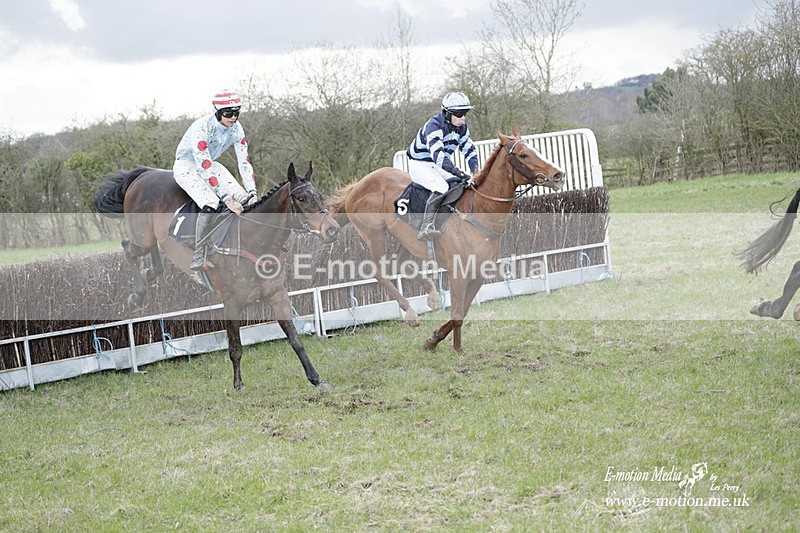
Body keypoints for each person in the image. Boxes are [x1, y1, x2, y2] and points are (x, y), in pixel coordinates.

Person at [173, 90, 259, 270]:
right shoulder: (201, 127)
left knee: (244, 198)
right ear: (217, 111)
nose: (233, 118)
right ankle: (198, 252)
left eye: (236, 112)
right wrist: (227, 199)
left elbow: (244, 162)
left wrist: (252, 192)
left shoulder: (237, 128)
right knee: (212, 202)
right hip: (187, 166)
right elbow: (204, 167)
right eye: (228, 113)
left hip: (211, 164)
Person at [406, 91, 480, 240]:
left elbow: (469, 149)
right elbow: (439, 157)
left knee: (459, 184)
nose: (463, 118)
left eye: (465, 114)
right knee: (441, 187)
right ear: (447, 113)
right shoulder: (434, 126)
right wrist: (460, 173)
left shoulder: (461, 128)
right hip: (420, 164)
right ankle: (425, 227)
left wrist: (475, 171)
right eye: (459, 114)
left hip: (435, 164)